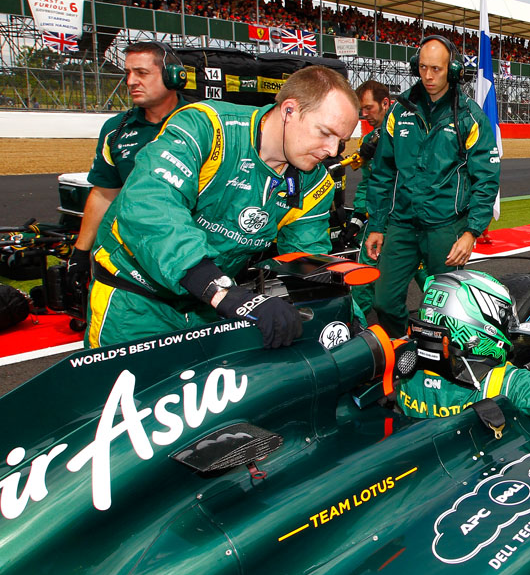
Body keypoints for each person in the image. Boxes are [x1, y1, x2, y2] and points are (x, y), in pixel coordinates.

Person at [86, 65, 359, 349]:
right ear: (289, 110)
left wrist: (347, 319)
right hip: (136, 301)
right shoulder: (207, 127)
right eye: (325, 133)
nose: (332, 150)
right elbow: (150, 205)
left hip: (208, 308)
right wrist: (218, 289)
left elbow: (308, 261)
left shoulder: (315, 183)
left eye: (341, 141)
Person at [363, 37, 500, 336]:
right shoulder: (399, 112)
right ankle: (402, 350)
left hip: (445, 227)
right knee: (383, 301)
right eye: (423, 67)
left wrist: (471, 232)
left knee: (448, 310)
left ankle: (444, 364)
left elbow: (486, 180)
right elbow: (383, 172)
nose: (428, 76)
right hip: (401, 224)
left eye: (436, 69)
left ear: (452, 70)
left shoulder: (469, 116)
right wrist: (376, 225)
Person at [397, 270, 530, 427]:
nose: (507, 326)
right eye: (503, 317)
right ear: (477, 324)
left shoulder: (403, 367)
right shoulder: (503, 382)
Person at [68, 42, 183, 293]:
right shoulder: (115, 129)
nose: (131, 81)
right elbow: (104, 193)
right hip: (130, 260)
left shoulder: (205, 121)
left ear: (172, 77)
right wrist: (80, 252)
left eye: (141, 73)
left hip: (189, 257)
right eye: (128, 73)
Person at [344, 79, 391, 326]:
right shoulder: (369, 141)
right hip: (377, 221)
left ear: (385, 103)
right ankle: (356, 327)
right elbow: (367, 184)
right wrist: (357, 216)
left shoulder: (409, 134)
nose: (365, 115)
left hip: (407, 221)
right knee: (363, 274)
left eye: (368, 108)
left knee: (427, 277)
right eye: (361, 110)